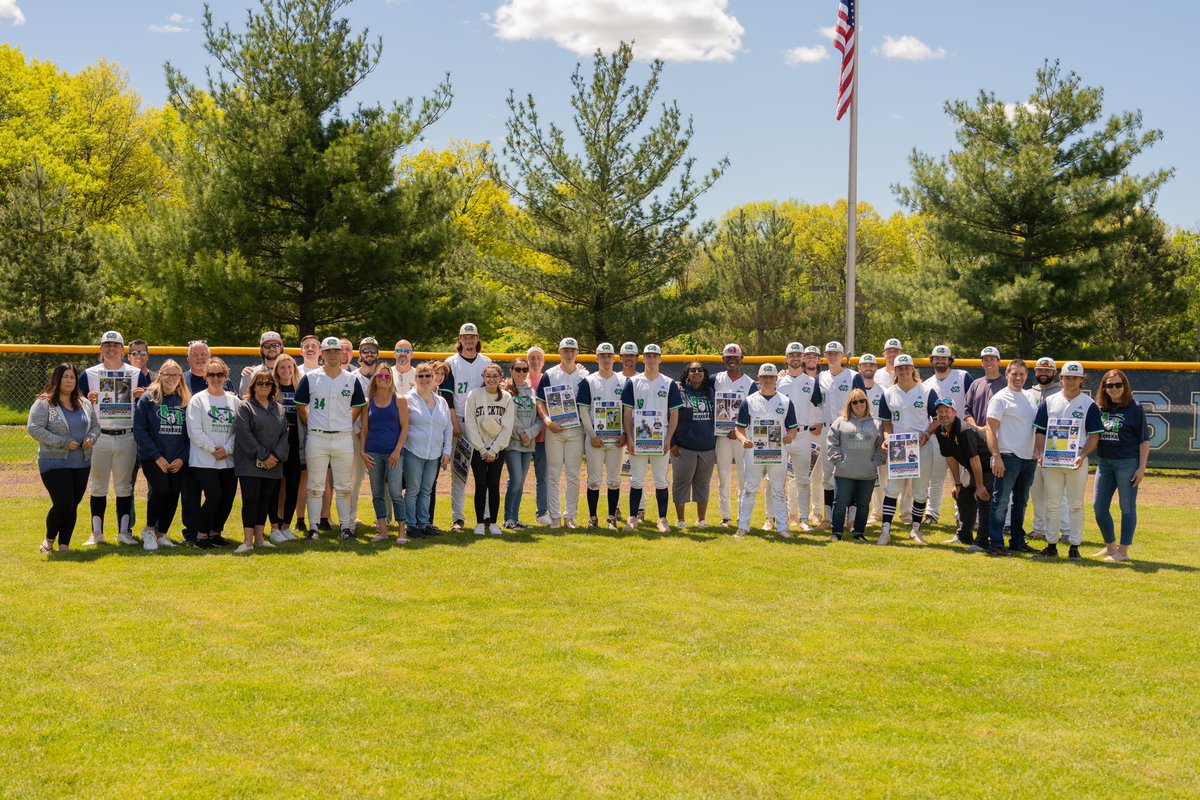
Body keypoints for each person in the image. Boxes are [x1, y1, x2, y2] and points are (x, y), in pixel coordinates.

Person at [77, 330, 150, 546]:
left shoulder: (135, 373)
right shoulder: (89, 374)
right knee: (98, 486)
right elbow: (75, 403)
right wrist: (84, 399)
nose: (111, 349)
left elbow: (149, 400)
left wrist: (143, 393)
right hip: (100, 436)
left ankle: (124, 532)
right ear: (101, 349)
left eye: (115, 346)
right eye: (107, 346)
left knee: (123, 486)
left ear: (122, 350)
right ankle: (96, 532)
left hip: (127, 435)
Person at [294, 336, 366, 541]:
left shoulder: (351, 379)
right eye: (328, 351)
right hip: (317, 437)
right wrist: (311, 422)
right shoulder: (311, 378)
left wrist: (346, 423)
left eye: (336, 351)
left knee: (344, 485)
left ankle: (345, 528)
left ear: (341, 354)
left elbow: (359, 406)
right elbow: (300, 404)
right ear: (322, 354)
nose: (333, 355)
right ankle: (314, 528)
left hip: (343, 438)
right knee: (315, 485)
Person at [1032, 361, 1103, 560]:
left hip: (1076, 459)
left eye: (1075, 377)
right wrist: (1040, 452)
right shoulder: (1050, 401)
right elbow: (1040, 430)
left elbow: (1094, 436)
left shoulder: (1088, 404)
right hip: (1053, 458)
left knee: (1075, 504)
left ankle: (1074, 546)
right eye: (1067, 377)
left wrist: (1082, 456)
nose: (1070, 381)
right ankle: (1051, 545)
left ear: (1081, 380)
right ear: (1060, 378)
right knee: (1053, 504)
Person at [28, 363, 100, 553]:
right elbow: (34, 428)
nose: (69, 380)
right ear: (57, 379)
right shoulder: (44, 403)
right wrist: (62, 442)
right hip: (54, 461)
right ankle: (49, 541)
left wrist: (91, 438)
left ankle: (64, 545)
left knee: (73, 504)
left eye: (72, 377)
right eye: (65, 376)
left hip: (81, 462)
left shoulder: (84, 403)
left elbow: (95, 427)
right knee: (63, 503)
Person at [876, 355, 939, 545]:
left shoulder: (927, 391)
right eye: (900, 368)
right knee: (893, 489)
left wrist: (926, 434)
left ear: (913, 369)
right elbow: (886, 423)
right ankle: (885, 530)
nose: (903, 371)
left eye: (907, 368)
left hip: (921, 447)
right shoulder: (888, 393)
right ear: (895, 371)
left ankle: (916, 529)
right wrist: (887, 439)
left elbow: (936, 419)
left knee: (919, 491)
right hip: (899, 447)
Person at [621, 344, 682, 532]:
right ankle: (632, 518)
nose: (652, 359)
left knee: (660, 480)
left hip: (660, 438)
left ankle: (662, 519)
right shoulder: (633, 382)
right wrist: (629, 438)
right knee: (636, 479)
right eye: (648, 355)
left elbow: (674, 414)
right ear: (644, 358)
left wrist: (669, 439)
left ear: (660, 359)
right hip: (638, 439)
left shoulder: (669, 383)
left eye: (655, 355)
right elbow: (627, 413)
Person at [734, 363, 798, 537]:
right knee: (749, 489)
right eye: (764, 377)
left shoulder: (785, 402)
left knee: (778, 489)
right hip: (754, 451)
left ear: (776, 379)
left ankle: (783, 528)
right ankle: (743, 527)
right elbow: (739, 427)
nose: (768, 380)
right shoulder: (749, 400)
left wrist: (791, 436)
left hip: (777, 451)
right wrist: (743, 439)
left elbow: (792, 427)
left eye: (771, 377)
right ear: (759, 379)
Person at [1092, 369, 1150, 562]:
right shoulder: (1099, 408)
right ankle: (1110, 547)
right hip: (1104, 463)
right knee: (1099, 507)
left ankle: (1123, 551)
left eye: (1118, 384)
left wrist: (1141, 468)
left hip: (1127, 463)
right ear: (1104, 388)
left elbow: (1144, 441)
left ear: (1125, 386)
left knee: (1127, 507)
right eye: (1110, 385)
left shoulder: (1135, 408)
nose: (1114, 388)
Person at [132, 359, 189, 550]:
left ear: (180, 377)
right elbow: (140, 431)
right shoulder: (148, 399)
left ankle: (162, 533)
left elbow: (191, 434)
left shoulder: (185, 400)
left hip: (177, 458)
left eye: (175, 375)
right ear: (160, 375)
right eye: (167, 374)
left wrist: (182, 458)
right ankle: (149, 530)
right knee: (161, 490)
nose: (171, 378)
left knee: (173, 494)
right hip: (153, 458)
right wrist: (157, 457)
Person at [180, 341, 233, 544]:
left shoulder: (233, 400)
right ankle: (199, 534)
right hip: (202, 456)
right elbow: (195, 430)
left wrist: (227, 449)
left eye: (220, 375)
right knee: (211, 496)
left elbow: (238, 430)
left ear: (226, 377)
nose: (216, 378)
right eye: (212, 375)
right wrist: (213, 449)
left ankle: (215, 533)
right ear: (206, 377)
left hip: (227, 458)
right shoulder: (196, 398)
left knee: (226, 497)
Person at [442, 323, 494, 532]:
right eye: (465, 336)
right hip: (460, 421)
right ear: (460, 339)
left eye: (472, 337)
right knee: (459, 474)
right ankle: (458, 519)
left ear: (477, 338)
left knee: (485, 474)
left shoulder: (486, 362)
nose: (469, 340)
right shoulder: (451, 362)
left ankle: (488, 516)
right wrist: (454, 423)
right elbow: (447, 395)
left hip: (481, 424)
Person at [985, 359, 1039, 556]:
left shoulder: (1030, 396)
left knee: (1021, 502)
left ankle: (1017, 541)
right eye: (1014, 374)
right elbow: (990, 429)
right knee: (1001, 502)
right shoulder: (1000, 398)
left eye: (1022, 374)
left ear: (1026, 376)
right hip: (1008, 456)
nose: (1018, 378)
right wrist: (996, 456)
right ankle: (996, 544)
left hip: (1028, 458)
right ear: (1006, 375)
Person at [233, 369, 290, 554]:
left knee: (265, 501)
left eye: (268, 383)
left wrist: (275, 456)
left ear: (273, 387)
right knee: (251, 500)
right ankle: (247, 541)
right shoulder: (245, 406)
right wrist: (264, 456)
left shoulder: (279, 408)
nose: (264, 386)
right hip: (250, 463)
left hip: (274, 464)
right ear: (253, 386)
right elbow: (244, 435)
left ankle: (260, 539)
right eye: (260, 383)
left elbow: (285, 435)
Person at [922, 345, 974, 526]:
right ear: (932, 360)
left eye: (944, 358)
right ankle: (932, 513)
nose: (941, 361)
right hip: (938, 434)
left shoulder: (962, 376)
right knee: (936, 477)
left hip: (960, 434)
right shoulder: (927, 383)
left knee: (961, 477)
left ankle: (961, 515)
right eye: (937, 358)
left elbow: (971, 402)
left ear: (950, 359)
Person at [932, 398, 992, 552]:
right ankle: (964, 536)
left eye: (946, 411)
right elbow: (950, 457)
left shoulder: (964, 430)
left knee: (983, 497)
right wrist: (957, 483)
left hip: (988, 467)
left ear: (954, 413)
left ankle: (982, 542)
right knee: (963, 494)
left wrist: (979, 486)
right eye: (940, 412)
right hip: (973, 467)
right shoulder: (940, 430)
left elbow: (975, 458)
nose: (943, 415)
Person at [826, 388, 885, 541]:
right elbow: (832, 443)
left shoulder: (876, 424)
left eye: (862, 401)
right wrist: (839, 462)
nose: (859, 404)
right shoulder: (840, 422)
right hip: (844, 472)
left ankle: (858, 532)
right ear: (849, 404)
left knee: (864, 504)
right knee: (840, 502)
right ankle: (836, 532)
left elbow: (881, 447)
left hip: (867, 473)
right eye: (855, 402)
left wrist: (875, 464)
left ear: (867, 402)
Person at [464, 364, 516, 535]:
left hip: (497, 450)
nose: (491, 379)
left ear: (501, 378)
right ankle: (480, 523)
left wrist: (493, 450)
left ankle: (493, 522)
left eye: (495, 376)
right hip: (478, 448)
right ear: (483, 377)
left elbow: (507, 427)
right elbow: (470, 424)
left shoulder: (507, 397)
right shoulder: (474, 395)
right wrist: (481, 448)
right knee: (480, 484)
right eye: (488, 376)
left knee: (494, 484)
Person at [816, 341, 864, 527]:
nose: (833, 356)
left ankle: (851, 518)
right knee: (827, 474)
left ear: (843, 354)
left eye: (836, 353)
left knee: (850, 472)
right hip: (828, 429)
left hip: (849, 428)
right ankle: (828, 517)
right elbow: (815, 403)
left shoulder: (853, 376)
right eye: (829, 353)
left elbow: (862, 405)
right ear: (825, 355)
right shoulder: (820, 377)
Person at [776, 342, 823, 530]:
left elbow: (817, 407)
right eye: (791, 354)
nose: (795, 358)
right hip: (780, 434)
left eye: (798, 354)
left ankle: (803, 518)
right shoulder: (778, 380)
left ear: (803, 358)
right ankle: (773, 518)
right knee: (775, 479)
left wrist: (816, 423)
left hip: (803, 435)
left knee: (803, 479)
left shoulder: (812, 382)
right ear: (786, 358)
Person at [360, 367, 410, 542]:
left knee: (396, 492)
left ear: (391, 379)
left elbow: (405, 428)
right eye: (379, 375)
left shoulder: (399, 400)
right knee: (377, 493)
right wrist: (362, 451)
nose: (383, 378)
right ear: (375, 378)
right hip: (373, 452)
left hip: (393, 453)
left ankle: (402, 532)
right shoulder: (368, 402)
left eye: (386, 375)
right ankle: (382, 531)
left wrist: (397, 450)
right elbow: (365, 429)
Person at [403, 363, 453, 537]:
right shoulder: (407, 399)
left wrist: (446, 451)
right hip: (413, 451)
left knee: (427, 490)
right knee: (413, 489)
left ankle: (424, 523)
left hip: (434, 453)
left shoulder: (441, 401)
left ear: (433, 379)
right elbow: (402, 426)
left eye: (428, 376)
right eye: (421, 376)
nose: (424, 379)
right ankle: (411, 524)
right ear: (415, 379)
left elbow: (448, 428)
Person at [712, 343, 757, 528]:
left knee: (743, 477)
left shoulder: (750, 383)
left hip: (741, 437)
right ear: (723, 359)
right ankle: (726, 517)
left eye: (735, 357)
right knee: (723, 476)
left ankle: (741, 516)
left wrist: (739, 431)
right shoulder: (715, 379)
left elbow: (754, 412)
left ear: (741, 359)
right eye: (728, 357)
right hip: (722, 436)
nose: (732, 360)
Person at [583, 343, 626, 528]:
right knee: (594, 480)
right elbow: (583, 410)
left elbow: (628, 411)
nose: (606, 359)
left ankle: (611, 518)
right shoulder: (589, 381)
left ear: (614, 358)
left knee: (614, 480)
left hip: (617, 439)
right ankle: (593, 519)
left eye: (609, 356)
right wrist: (591, 434)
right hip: (596, 438)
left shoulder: (624, 381)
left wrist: (625, 433)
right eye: (602, 355)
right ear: (596, 358)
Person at [1026, 356, 1069, 542]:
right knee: (1036, 493)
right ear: (1035, 372)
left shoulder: (1062, 392)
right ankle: (1039, 529)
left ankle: (1066, 531)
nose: (1043, 373)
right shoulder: (1028, 393)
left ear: (1054, 372)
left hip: (1055, 449)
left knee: (1061, 494)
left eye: (1047, 370)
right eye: (1040, 370)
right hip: (1032, 448)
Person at [671, 360, 717, 529]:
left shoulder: (710, 391)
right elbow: (671, 418)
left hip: (707, 446)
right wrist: (672, 442)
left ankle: (701, 519)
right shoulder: (679, 390)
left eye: (700, 370)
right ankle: (681, 520)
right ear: (687, 373)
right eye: (693, 370)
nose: (696, 372)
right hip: (684, 447)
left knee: (703, 484)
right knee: (681, 483)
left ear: (704, 373)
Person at [268, 355, 304, 543]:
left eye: (289, 366)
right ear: (276, 370)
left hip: (295, 443)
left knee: (293, 486)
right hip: (276, 444)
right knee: (274, 487)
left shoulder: (300, 388)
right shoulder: (273, 390)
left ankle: (286, 526)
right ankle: (274, 526)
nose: (286, 370)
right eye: (282, 367)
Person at [501, 358, 541, 529]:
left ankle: (515, 518)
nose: (521, 373)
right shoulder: (505, 390)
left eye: (525, 370)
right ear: (511, 370)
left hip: (528, 442)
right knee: (516, 478)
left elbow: (540, 417)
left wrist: (530, 434)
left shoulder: (532, 391)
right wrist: (521, 433)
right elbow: (507, 416)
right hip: (512, 441)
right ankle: (508, 518)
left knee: (521, 481)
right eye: (518, 369)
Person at [348, 336, 383, 526]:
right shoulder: (351, 378)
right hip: (356, 435)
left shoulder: (385, 375)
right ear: (359, 354)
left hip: (379, 436)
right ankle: (350, 519)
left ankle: (382, 519)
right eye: (365, 350)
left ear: (377, 353)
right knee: (354, 479)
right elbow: (348, 409)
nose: (369, 354)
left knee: (382, 480)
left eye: (372, 350)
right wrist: (359, 432)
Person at [618, 341, 649, 521]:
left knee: (638, 473)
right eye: (625, 355)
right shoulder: (614, 377)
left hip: (637, 433)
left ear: (637, 358)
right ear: (620, 357)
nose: (628, 358)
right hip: (615, 434)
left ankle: (640, 508)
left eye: (632, 355)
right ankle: (616, 508)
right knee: (616, 474)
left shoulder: (642, 378)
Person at [526, 346, 549, 524]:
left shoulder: (548, 380)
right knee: (517, 478)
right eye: (532, 358)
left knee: (543, 477)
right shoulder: (520, 380)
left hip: (543, 436)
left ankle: (542, 513)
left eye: (538, 358)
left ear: (543, 361)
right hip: (524, 438)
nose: (535, 361)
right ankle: (511, 515)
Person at [963, 347, 1005, 430]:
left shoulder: (1006, 384)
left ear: (998, 361)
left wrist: (989, 428)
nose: (989, 363)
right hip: (978, 435)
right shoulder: (975, 384)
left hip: (1000, 435)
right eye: (985, 360)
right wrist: (976, 428)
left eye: (992, 359)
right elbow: (966, 410)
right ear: (982, 363)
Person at [238, 331, 285, 396]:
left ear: (281, 347)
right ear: (261, 349)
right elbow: (243, 400)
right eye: (267, 346)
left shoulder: (290, 373)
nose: (271, 348)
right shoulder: (250, 374)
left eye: (275, 345)